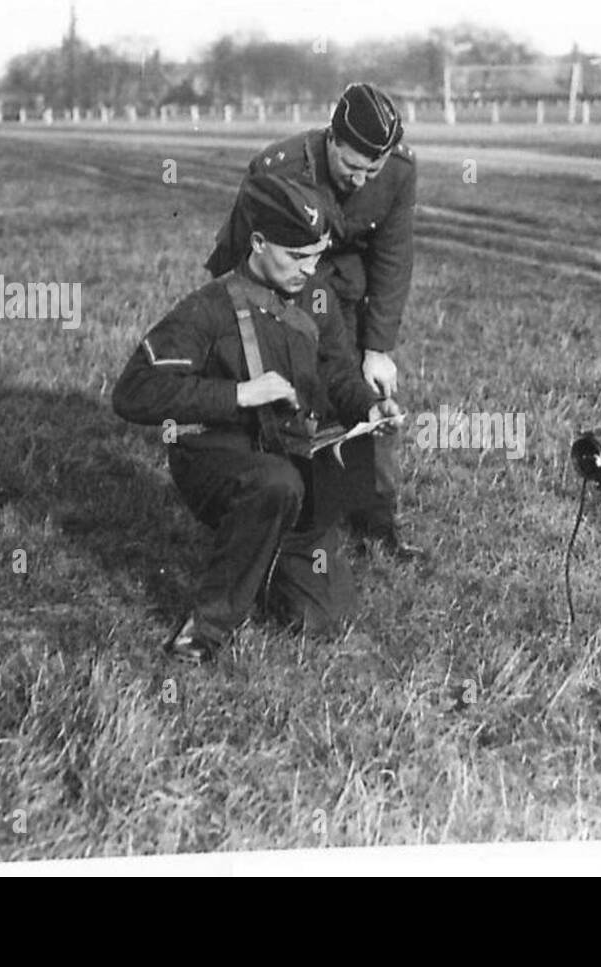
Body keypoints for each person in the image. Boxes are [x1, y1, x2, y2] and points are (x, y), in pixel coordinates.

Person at [113, 174, 401, 664]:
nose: (308, 269)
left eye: (316, 256)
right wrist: (239, 394)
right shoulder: (208, 308)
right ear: (259, 242)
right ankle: (205, 628)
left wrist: (366, 407)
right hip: (217, 458)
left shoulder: (316, 298)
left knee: (324, 618)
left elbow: (335, 373)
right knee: (277, 484)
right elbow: (133, 392)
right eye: (296, 256)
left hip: (290, 458)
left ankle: (263, 553)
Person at [204, 82, 423, 561]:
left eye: (374, 170)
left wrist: (378, 348)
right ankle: (282, 512)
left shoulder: (398, 173)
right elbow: (238, 254)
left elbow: (393, 257)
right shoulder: (278, 170)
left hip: (346, 285)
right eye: (351, 167)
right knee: (296, 389)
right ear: (331, 138)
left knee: (371, 393)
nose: (362, 181)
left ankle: (377, 519)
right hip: (286, 286)